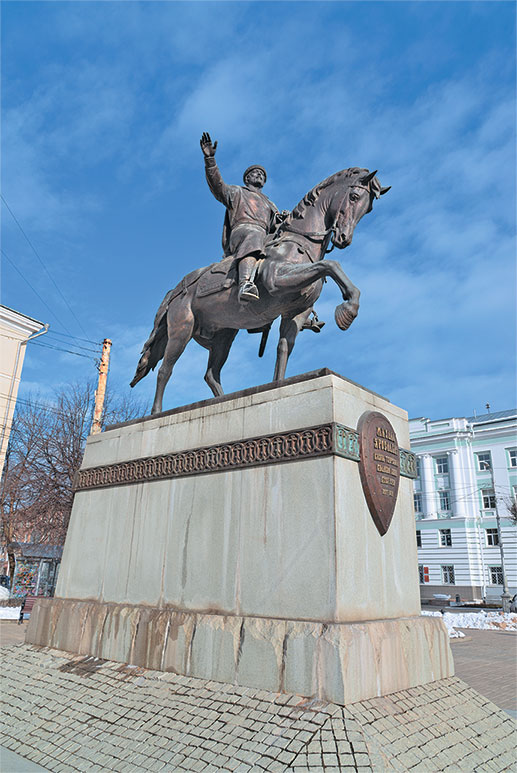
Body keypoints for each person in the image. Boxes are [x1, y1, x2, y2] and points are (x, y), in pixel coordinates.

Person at [200, 132, 286, 303]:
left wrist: (282, 220)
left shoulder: (270, 203)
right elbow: (217, 186)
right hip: (243, 231)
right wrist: (210, 160)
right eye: (255, 173)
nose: (259, 175)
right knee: (254, 235)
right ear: (247, 178)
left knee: (285, 248)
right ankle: (245, 283)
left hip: (264, 235)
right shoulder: (236, 192)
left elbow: (275, 226)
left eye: (262, 175)